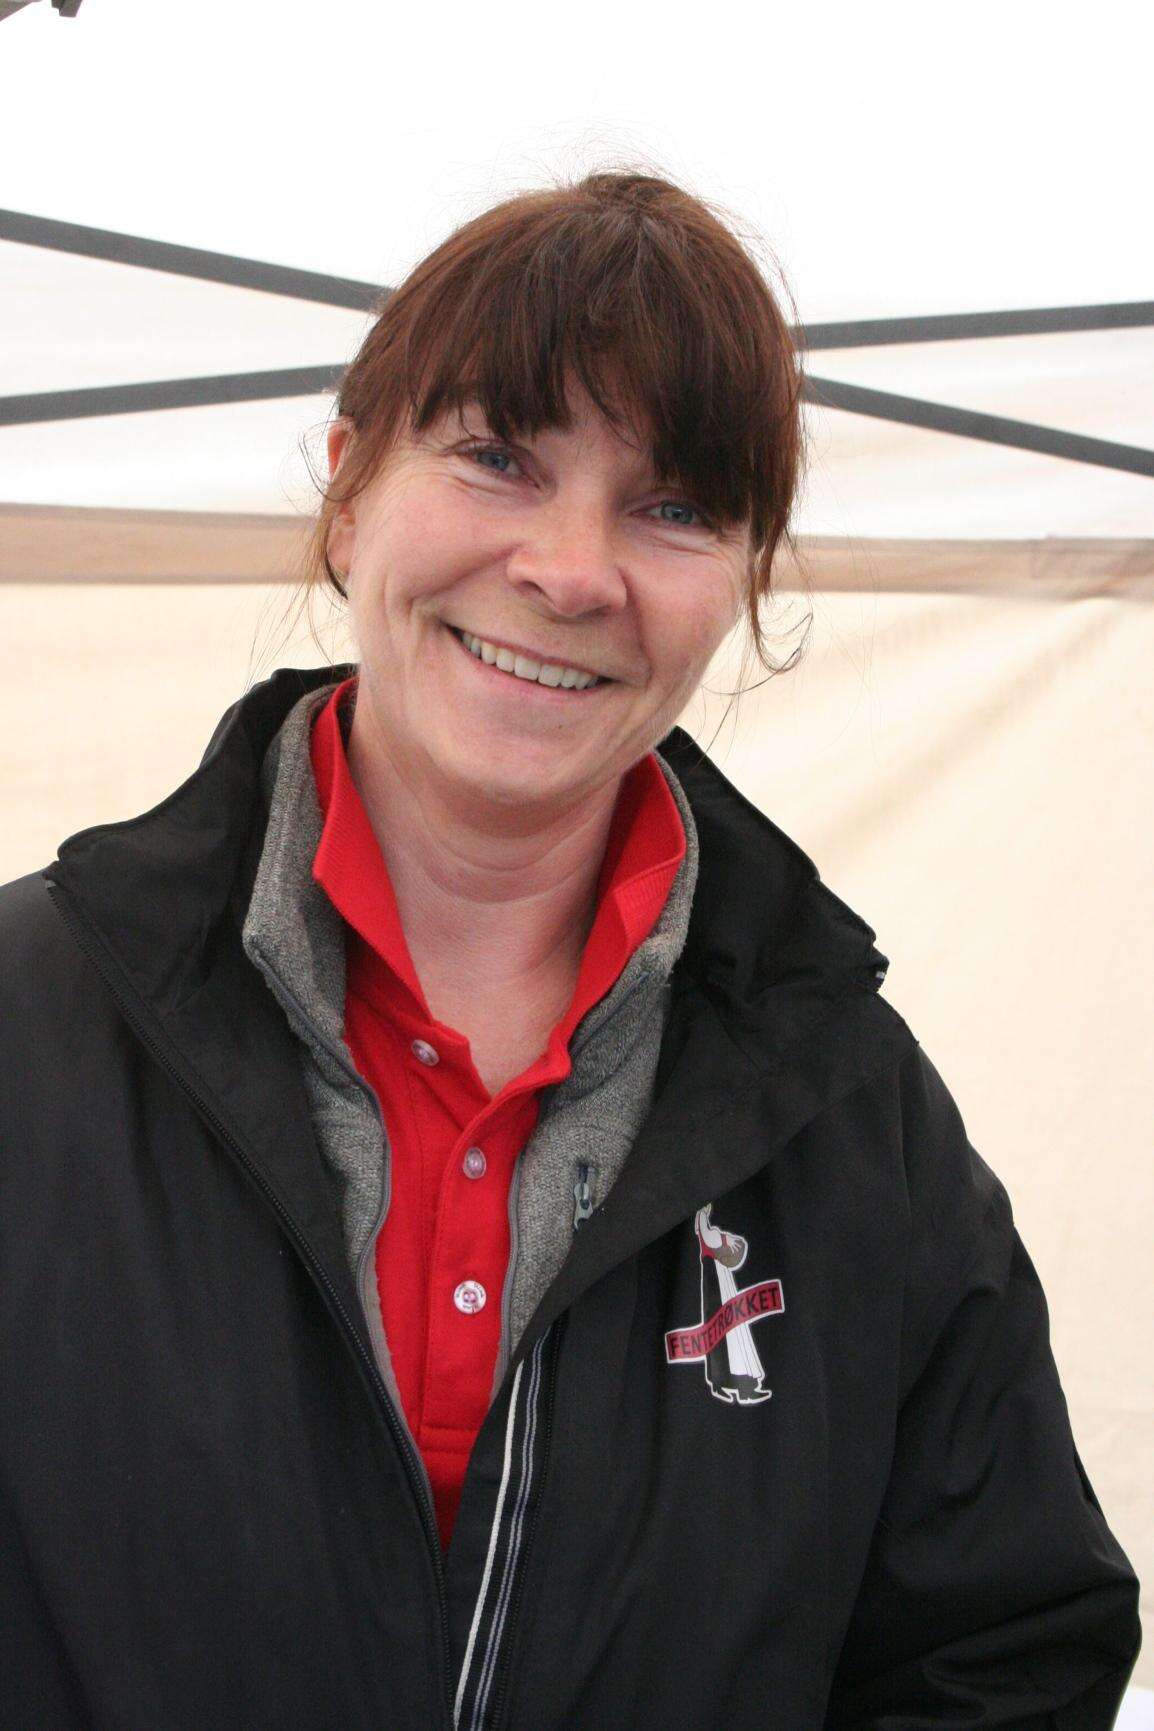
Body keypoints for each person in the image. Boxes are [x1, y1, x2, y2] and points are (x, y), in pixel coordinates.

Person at [0, 169, 1141, 1729]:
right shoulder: (29, 1024)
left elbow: (1004, 1651)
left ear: (743, 581)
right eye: (497, 459)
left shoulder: (849, 1114)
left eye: (673, 508)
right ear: (347, 491)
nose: (570, 568)